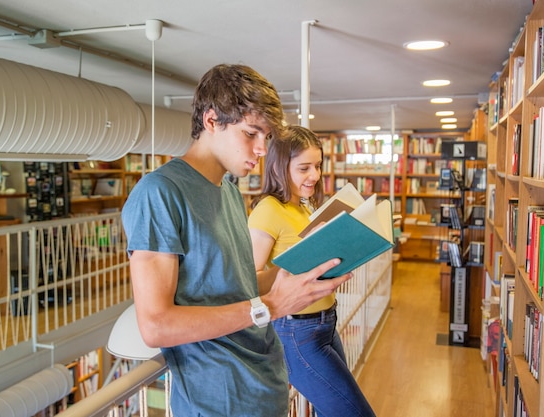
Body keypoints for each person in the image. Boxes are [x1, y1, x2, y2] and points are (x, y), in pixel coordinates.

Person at [121, 64, 353, 417]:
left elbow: (236, 285)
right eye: (251, 133)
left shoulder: (228, 191)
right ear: (212, 121)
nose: (262, 149)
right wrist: (272, 306)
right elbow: (155, 325)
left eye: (266, 136)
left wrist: (308, 265)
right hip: (220, 401)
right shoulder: (159, 193)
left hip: (263, 386)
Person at [248, 125, 377, 417]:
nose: (315, 176)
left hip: (326, 322)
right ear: (281, 167)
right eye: (304, 168)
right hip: (296, 331)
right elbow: (250, 281)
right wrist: (308, 251)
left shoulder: (305, 206)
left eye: (317, 166)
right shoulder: (268, 209)